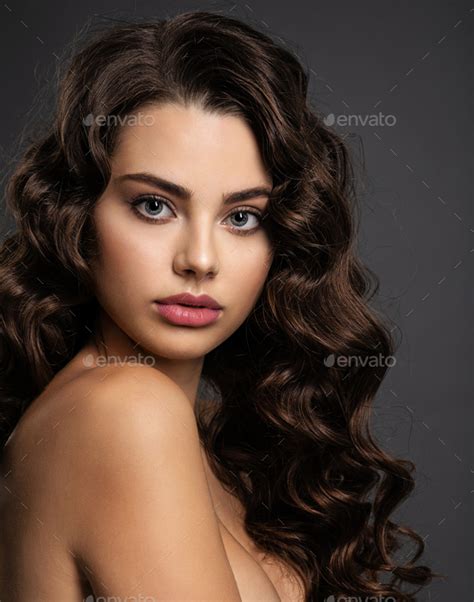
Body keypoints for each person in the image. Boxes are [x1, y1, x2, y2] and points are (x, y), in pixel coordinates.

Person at [0, 10, 442, 601]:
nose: (201, 260)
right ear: (78, 216)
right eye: (155, 206)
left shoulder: (206, 434)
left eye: (242, 217)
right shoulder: (124, 412)